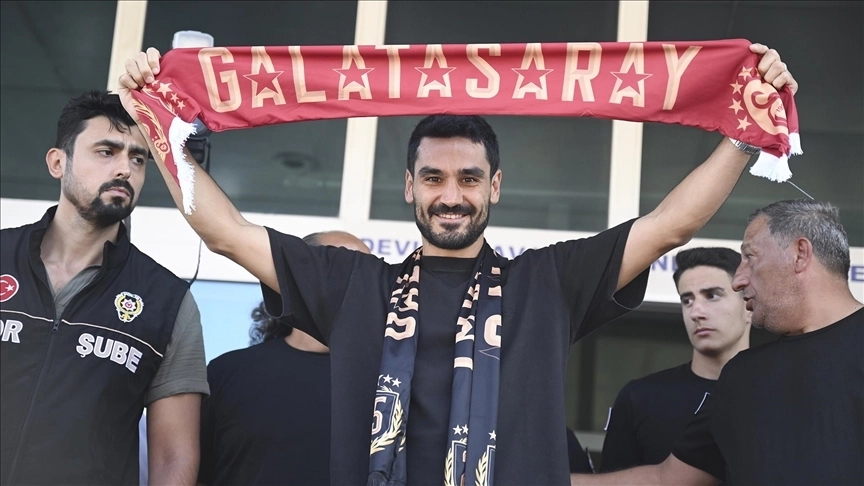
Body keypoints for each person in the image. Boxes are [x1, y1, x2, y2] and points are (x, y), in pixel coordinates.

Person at [119, 44, 796, 485]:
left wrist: (745, 131)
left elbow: (673, 224)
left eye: (469, 179)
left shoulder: (546, 283)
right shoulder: (354, 284)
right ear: (408, 187)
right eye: (434, 178)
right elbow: (226, 233)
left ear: (494, 187)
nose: (451, 196)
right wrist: (155, 123)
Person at [571, 199, 864, 485]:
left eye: (750, 257)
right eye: (687, 299)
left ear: (800, 254)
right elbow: (667, 478)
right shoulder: (743, 375)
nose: (738, 280)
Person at [0, 91, 209, 485]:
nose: (125, 169)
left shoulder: (167, 301)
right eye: (106, 152)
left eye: (138, 159)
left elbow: (173, 457)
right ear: (58, 163)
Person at [198, 231, 370, 486]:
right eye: (339, 265)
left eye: (366, 271)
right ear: (296, 277)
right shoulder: (227, 372)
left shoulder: (389, 383)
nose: (356, 279)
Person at [599, 247, 750, 471]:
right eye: (687, 300)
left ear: (748, 305)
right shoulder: (640, 398)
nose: (696, 312)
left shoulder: (778, 393)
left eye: (712, 296)